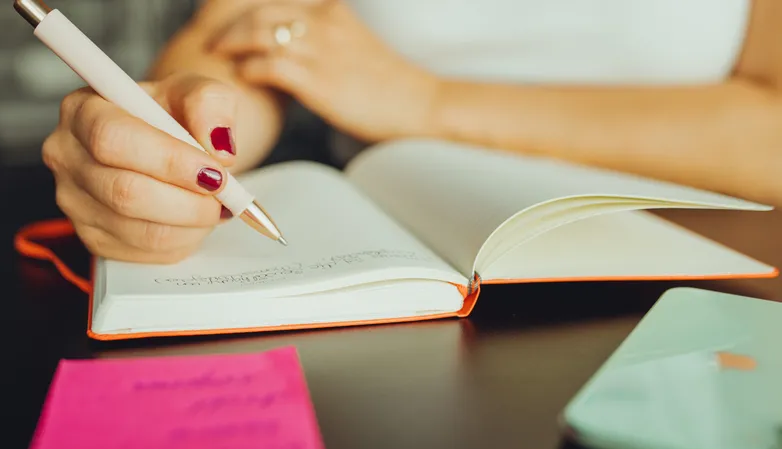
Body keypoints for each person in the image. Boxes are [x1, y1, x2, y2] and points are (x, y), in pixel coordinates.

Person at [41, 0, 782, 264]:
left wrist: (426, 102)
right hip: (404, 290)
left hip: (716, 277)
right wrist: (182, 125)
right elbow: (236, 33)